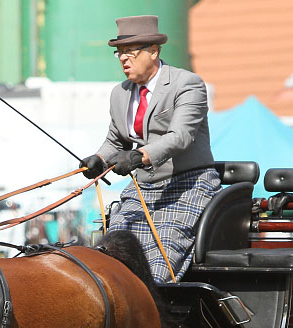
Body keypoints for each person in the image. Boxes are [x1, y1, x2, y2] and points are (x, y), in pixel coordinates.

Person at [79, 15, 220, 283]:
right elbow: (116, 141)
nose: (123, 59)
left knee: (157, 265)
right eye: (119, 53)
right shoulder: (119, 93)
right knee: (111, 254)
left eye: (130, 53)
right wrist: (98, 159)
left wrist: (140, 155)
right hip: (143, 188)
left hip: (187, 184)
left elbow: (181, 136)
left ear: (154, 52)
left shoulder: (187, 84)